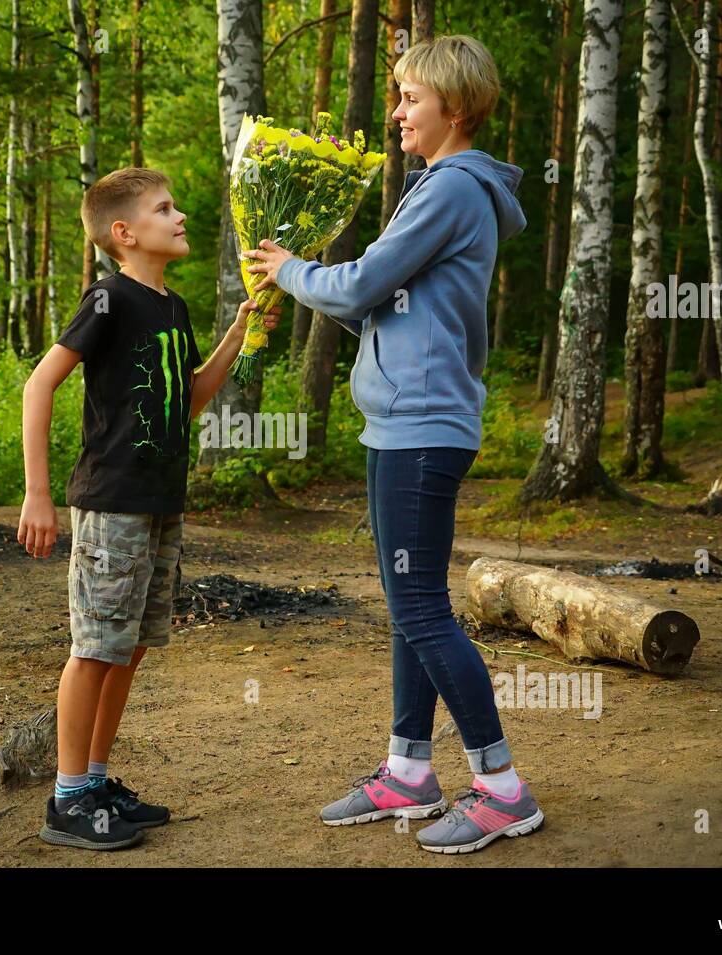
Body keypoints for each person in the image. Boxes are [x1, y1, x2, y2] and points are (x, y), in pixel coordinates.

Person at [242, 35, 542, 854]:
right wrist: (303, 282)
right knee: (413, 610)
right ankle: (409, 770)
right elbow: (373, 305)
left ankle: (503, 789)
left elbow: (364, 281)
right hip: (401, 424)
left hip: (421, 428)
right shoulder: (440, 189)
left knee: (419, 608)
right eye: (399, 96)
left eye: (411, 98)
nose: (398, 111)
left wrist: (293, 268)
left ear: (455, 106)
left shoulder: (451, 188)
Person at [17, 167, 280, 850]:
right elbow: (39, 385)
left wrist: (241, 331)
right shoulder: (108, 299)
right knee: (95, 648)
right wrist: (37, 494)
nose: (180, 216)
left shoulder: (173, 308)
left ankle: (96, 780)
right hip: (111, 501)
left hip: (162, 502)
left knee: (129, 647)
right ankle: (67, 799)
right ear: (124, 233)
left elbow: (189, 398)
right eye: (165, 209)